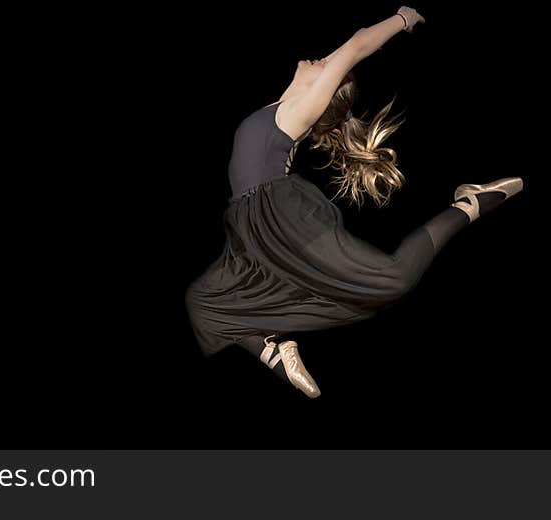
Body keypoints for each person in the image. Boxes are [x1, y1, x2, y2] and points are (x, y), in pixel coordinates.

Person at [185, 6, 523, 398]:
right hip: (248, 224)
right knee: (202, 303)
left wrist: (402, 18)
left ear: (323, 91)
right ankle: (273, 352)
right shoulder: (285, 102)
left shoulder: (302, 109)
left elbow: (360, 42)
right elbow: (335, 60)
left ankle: (470, 205)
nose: (322, 58)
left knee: (390, 278)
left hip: (277, 212)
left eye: (327, 65)